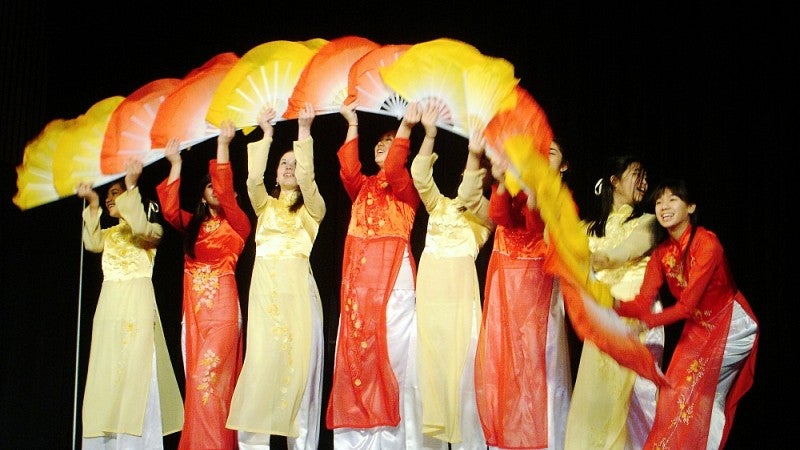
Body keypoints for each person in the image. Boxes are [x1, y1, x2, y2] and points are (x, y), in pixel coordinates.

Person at [615, 178, 758, 450]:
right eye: (658, 201)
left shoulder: (707, 244)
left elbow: (685, 307)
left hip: (730, 324)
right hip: (699, 326)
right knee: (673, 392)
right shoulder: (662, 253)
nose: (663, 207)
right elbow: (643, 300)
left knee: (700, 394)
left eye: (672, 200)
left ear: (691, 207)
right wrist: (612, 306)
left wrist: (644, 324)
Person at [225, 103, 326, 450]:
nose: (289, 168)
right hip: (265, 295)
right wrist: (266, 134)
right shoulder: (264, 205)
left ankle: (302, 444)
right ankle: (253, 444)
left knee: (299, 372)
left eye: (294, 164)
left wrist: (303, 131)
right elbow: (252, 179)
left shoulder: (315, 207)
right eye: (284, 163)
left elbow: (309, 180)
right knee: (261, 368)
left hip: (298, 294)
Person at [325, 100, 423, 449]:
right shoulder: (362, 187)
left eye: (390, 140)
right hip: (359, 284)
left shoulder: (406, 188)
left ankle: (395, 439)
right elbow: (348, 170)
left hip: (393, 280)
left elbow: (395, 166)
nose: (383, 145)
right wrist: (352, 123)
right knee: (357, 359)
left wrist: (407, 128)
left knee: (393, 358)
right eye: (379, 141)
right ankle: (359, 439)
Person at [155, 120, 251, 449]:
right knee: (203, 387)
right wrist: (176, 164)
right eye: (208, 185)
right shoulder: (193, 227)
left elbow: (225, 189)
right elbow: (168, 210)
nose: (215, 189)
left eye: (219, 186)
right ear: (201, 193)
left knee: (204, 380)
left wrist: (223, 145)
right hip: (195, 315)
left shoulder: (237, 224)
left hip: (224, 312)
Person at [76, 161, 184, 449]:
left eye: (115, 192)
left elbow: (138, 226)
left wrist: (132, 186)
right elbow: (91, 241)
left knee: (137, 373)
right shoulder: (110, 235)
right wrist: (93, 203)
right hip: (109, 308)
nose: (111, 198)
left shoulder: (151, 230)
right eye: (109, 194)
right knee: (106, 373)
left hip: (136, 305)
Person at [474, 139, 573, 450]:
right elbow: (499, 215)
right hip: (506, 286)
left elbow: (535, 221)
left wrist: (536, 190)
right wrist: (502, 181)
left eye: (553, 153)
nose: (545, 156)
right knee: (502, 360)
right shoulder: (513, 185)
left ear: (565, 165)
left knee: (537, 365)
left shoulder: (561, 196)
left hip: (538, 289)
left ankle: (543, 442)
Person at [564, 155, 664, 450]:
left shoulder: (648, 222)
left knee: (634, 405)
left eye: (645, 176)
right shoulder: (589, 227)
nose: (644, 182)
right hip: (602, 323)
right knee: (597, 404)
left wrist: (593, 260)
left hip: (636, 322)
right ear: (614, 180)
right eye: (636, 174)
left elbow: (622, 253)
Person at [410, 100, 494, 450]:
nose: (468, 180)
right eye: (466, 173)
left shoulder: (486, 215)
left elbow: (469, 195)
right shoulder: (439, 204)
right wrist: (429, 135)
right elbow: (419, 176)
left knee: (462, 377)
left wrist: (476, 154)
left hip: (460, 299)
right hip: (431, 296)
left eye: (477, 178)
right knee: (429, 374)